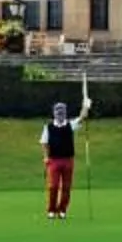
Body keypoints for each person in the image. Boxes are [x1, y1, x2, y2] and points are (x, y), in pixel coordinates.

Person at [40, 89, 88, 218]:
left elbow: (83, 117)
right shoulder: (48, 127)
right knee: (53, 186)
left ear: (65, 113)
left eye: (62, 112)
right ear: (54, 113)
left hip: (68, 160)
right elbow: (44, 143)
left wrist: (86, 105)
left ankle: (62, 210)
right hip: (54, 160)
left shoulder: (70, 125)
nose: (60, 114)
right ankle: (51, 210)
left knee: (66, 187)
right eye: (58, 112)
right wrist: (45, 157)